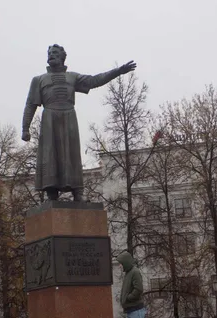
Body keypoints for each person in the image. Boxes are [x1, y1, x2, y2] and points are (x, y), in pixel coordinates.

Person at [22, 44, 136, 201]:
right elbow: (30, 104)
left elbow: (94, 80)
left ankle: (78, 193)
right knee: (50, 155)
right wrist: (25, 128)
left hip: (68, 117)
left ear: (62, 57)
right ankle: (51, 193)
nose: (51, 55)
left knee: (72, 154)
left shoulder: (72, 77)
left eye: (55, 53)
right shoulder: (38, 80)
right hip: (49, 119)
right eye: (49, 53)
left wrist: (117, 71)